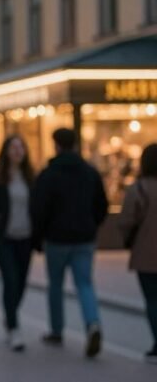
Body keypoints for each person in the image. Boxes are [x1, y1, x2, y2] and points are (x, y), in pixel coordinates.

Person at [32, 128, 108, 358]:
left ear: (56, 145)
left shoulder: (49, 174)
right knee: (85, 283)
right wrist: (92, 224)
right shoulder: (90, 172)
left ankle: (57, 330)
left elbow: (39, 209)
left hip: (57, 239)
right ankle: (92, 322)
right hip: (84, 237)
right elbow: (101, 205)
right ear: (75, 144)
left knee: (55, 284)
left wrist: (39, 236)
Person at [0, 135, 35, 352]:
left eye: (21, 146)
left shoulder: (30, 177)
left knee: (21, 282)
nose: (18, 151)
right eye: (14, 147)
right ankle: (13, 327)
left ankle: (10, 314)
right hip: (2, 237)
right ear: (6, 151)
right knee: (10, 279)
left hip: (26, 236)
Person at [117, 143, 157, 364]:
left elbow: (126, 220)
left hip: (146, 252)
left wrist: (127, 239)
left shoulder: (139, 188)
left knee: (152, 299)